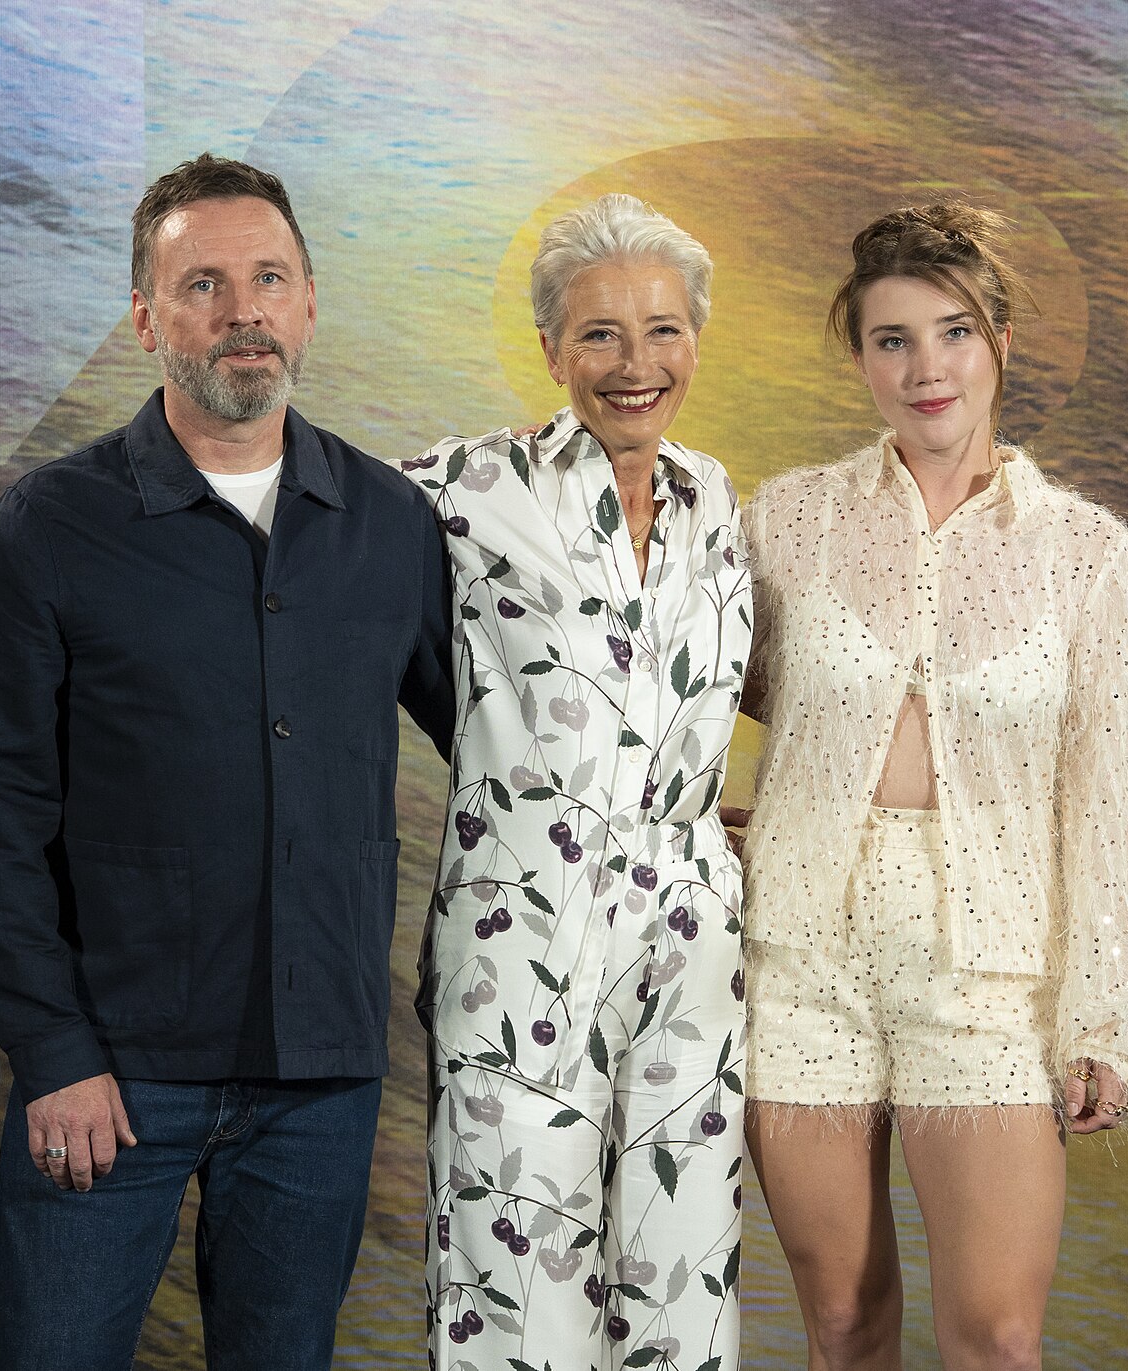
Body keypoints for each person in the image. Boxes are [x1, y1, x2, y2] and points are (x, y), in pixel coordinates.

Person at [0, 152, 454, 1371]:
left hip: (321, 1079)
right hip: (108, 1082)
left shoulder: (392, 526)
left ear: (310, 301)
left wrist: (679, 801)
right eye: (204, 284)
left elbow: (507, 743)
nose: (245, 310)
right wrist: (56, 1058)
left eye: (270, 277)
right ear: (145, 320)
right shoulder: (51, 528)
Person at [732, 202, 1128, 1370]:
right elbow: (700, 691)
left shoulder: (1084, 552)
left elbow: (1110, 797)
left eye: (954, 332)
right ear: (861, 358)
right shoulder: (788, 521)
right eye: (892, 340)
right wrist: (709, 830)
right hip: (802, 955)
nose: (927, 369)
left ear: (1001, 343)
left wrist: (1106, 1015)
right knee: (841, 1322)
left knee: (995, 1335)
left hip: (991, 967)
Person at [405, 193, 751, 1371]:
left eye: (663, 329)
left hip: (692, 957)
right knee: (515, 1297)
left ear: (696, 340)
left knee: (681, 1284)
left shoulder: (721, 505)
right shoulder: (463, 490)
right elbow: (295, 539)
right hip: (520, 953)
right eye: (600, 334)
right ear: (552, 349)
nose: (634, 364)